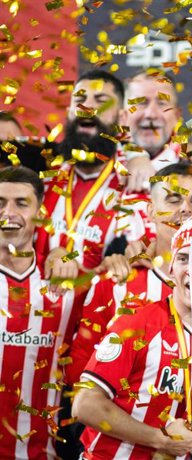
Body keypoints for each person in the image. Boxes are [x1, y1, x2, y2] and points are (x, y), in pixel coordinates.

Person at [71, 216, 192, 460]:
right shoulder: (136, 324)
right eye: (183, 258)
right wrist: (159, 439)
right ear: (171, 268)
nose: (190, 269)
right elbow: (85, 405)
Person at [67, 161, 192, 385]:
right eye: (173, 199)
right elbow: (76, 370)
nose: (186, 208)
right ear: (151, 211)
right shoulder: (116, 281)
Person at [0, 166, 84, 459]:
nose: (8, 213)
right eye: (0, 203)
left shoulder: (66, 289)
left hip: (40, 453)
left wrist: (64, 254)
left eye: (21, 203)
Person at [37, 70, 131, 280]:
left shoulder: (134, 184)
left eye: (101, 101)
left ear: (122, 117)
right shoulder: (41, 175)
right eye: (79, 100)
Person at [120, 69, 183, 192]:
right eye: (141, 103)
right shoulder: (100, 164)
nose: (151, 114)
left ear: (177, 116)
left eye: (162, 103)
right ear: (123, 116)